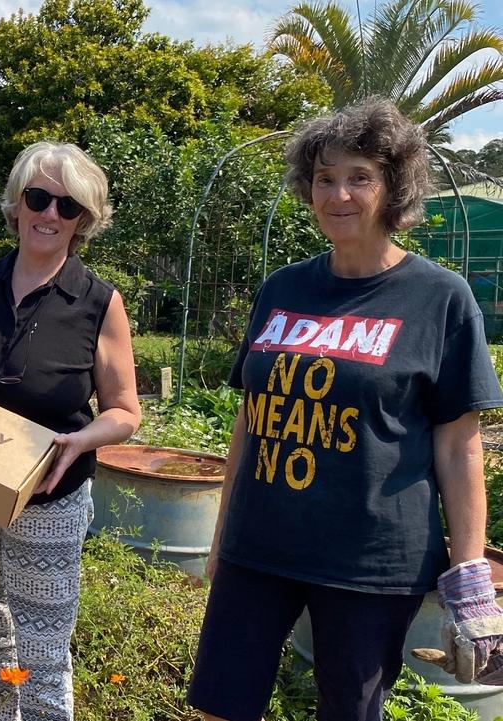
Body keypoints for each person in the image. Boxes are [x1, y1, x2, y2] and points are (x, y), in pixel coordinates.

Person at [187, 99, 503, 721]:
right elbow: (251, 422)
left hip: (370, 562)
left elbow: (459, 446)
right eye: (325, 179)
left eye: (360, 177)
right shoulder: (283, 289)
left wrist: (469, 576)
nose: (339, 195)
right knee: (221, 704)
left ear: (393, 188)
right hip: (260, 545)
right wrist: (222, 538)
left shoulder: (440, 297)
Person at [0, 140, 141, 721]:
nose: (50, 214)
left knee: (41, 653)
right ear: (17, 204)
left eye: (69, 206)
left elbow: (125, 412)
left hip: (50, 496)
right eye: (39, 198)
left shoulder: (97, 302)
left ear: (84, 220)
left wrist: (80, 441)